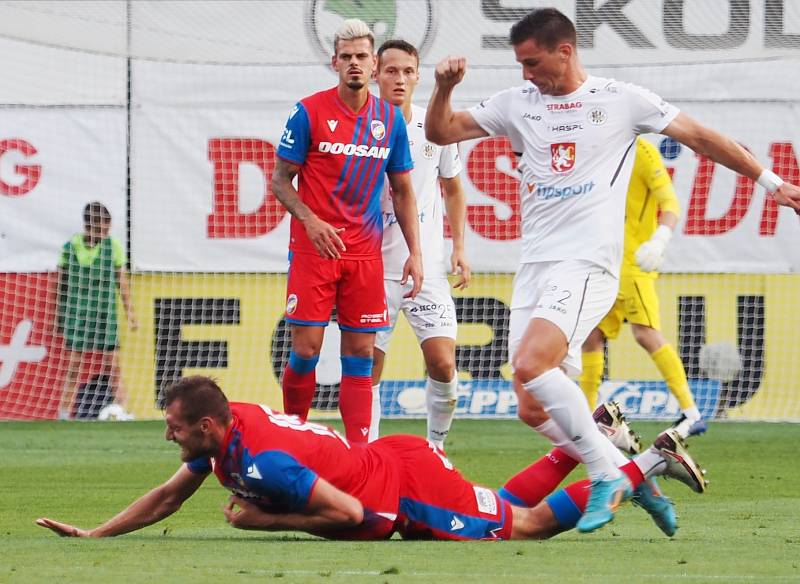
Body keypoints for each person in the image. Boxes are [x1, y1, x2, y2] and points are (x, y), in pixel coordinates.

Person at [424, 7, 800, 532]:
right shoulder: (517, 103)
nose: (526, 75)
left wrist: (770, 182)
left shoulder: (620, 100)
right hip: (534, 266)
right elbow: (441, 131)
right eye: (520, 65)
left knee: (533, 365)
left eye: (533, 63)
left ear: (565, 51)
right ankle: (641, 468)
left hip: (589, 264)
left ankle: (608, 474)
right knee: (531, 409)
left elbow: (700, 136)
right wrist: (443, 87)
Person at [36, 375, 706, 541]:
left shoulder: (264, 463)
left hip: (400, 492)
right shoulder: (228, 428)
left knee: (523, 526)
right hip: (394, 458)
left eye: (176, 428)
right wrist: (96, 534)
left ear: (210, 425)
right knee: (503, 503)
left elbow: (358, 516)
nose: (169, 438)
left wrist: (266, 524)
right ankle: (588, 440)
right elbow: (168, 495)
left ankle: (647, 463)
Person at [271, 19, 424, 443]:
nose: (353, 64)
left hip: (364, 254)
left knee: (359, 356)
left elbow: (403, 189)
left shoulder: (390, 120)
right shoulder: (309, 111)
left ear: (373, 64)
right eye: (346, 57)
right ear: (334, 62)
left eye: (361, 57)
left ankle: (359, 456)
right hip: (314, 251)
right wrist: (310, 220)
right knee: (306, 350)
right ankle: (296, 443)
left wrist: (416, 252)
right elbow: (281, 180)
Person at [369, 39, 471, 448]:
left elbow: (453, 188)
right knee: (367, 371)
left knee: (444, 364)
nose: (400, 79)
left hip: (424, 269)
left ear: (417, 75)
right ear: (376, 73)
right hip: (373, 268)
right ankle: (368, 456)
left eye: (407, 71)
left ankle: (436, 450)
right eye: (391, 70)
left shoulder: (434, 128)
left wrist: (459, 247)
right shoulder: (362, 128)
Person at [579, 137, 705, 438]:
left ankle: (691, 412)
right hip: (604, 262)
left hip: (633, 264)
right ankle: (585, 417)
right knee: (591, 336)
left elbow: (670, 203)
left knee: (645, 333)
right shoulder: (598, 147)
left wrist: (660, 238)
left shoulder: (643, 152)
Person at [54, 201, 138, 420]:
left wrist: (130, 312)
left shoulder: (113, 247)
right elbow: (59, 284)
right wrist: (58, 316)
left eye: (107, 229)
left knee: (113, 366)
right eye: (100, 229)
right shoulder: (69, 248)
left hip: (104, 314)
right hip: (77, 314)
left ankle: (123, 410)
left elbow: (122, 281)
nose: (104, 233)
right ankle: (63, 414)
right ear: (88, 226)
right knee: (74, 366)